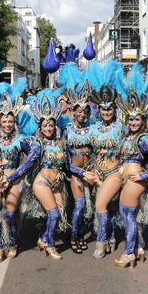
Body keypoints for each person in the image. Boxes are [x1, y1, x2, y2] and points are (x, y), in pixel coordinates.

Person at [1, 91, 67, 260]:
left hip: (58, 183)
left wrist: (84, 172)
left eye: (51, 125)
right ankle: (50, 245)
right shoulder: (38, 145)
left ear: (55, 126)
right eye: (45, 126)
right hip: (42, 182)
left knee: (59, 214)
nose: (48, 128)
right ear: (40, 127)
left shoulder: (61, 143)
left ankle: (44, 238)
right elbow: (26, 165)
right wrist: (9, 178)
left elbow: (69, 165)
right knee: (53, 214)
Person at [113, 65, 148, 268]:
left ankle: (129, 254)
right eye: (131, 119)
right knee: (127, 214)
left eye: (137, 119)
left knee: (127, 215)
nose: (134, 122)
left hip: (135, 179)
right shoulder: (129, 135)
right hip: (127, 178)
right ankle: (139, 248)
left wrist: (145, 175)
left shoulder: (143, 138)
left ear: (143, 119)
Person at [0, 78, 35, 261]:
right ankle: (0, 246)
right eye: (4, 121)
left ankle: (13, 243)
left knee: (8, 214)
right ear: (0, 122)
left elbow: (33, 155)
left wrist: (17, 175)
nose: (7, 124)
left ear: (14, 122)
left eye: (10, 121)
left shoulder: (21, 140)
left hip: (14, 181)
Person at [87, 60, 125, 259]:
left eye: (110, 108)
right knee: (107, 207)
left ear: (114, 109)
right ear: (99, 110)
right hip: (97, 173)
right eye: (103, 109)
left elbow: (130, 148)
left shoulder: (121, 128)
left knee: (100, 206)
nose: (107, 112)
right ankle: (110, 237)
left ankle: (100, 242)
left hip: (113, 173)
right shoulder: (93, 128)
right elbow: (86, 150)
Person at [60, 63, 94, 253]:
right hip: (76, 174)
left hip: (90, 172)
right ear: (73, 111)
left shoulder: (91, 129)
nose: (81, 115)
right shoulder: (67, 130)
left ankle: (81, 233)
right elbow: (65, 160)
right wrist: (81, 172)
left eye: (85, 111)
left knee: (90, 208)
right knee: (80, 205)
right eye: (78, 111)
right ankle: (74, 236)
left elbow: (96, 151)